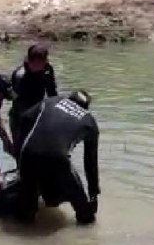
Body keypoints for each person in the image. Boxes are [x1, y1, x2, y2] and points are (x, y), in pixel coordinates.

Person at [14, 90, 100, 225]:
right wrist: (93, 194)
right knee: (85, 215)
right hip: (58, 159)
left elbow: (24, 118)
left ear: (68, 98)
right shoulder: (89, 121)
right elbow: (90, 162)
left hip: (28, 153)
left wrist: (20, 150)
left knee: (26, 209)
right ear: (86, 107)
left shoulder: (50, 101)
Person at [9, 44, 58, 146]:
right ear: (30, 62)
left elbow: (52, 93)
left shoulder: (47, 69)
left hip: (39, 112)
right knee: (23, 152)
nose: (39, 67)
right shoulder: (20, 76)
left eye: (42, 63)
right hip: (20, 117)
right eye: (36, 64)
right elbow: (18, 103)